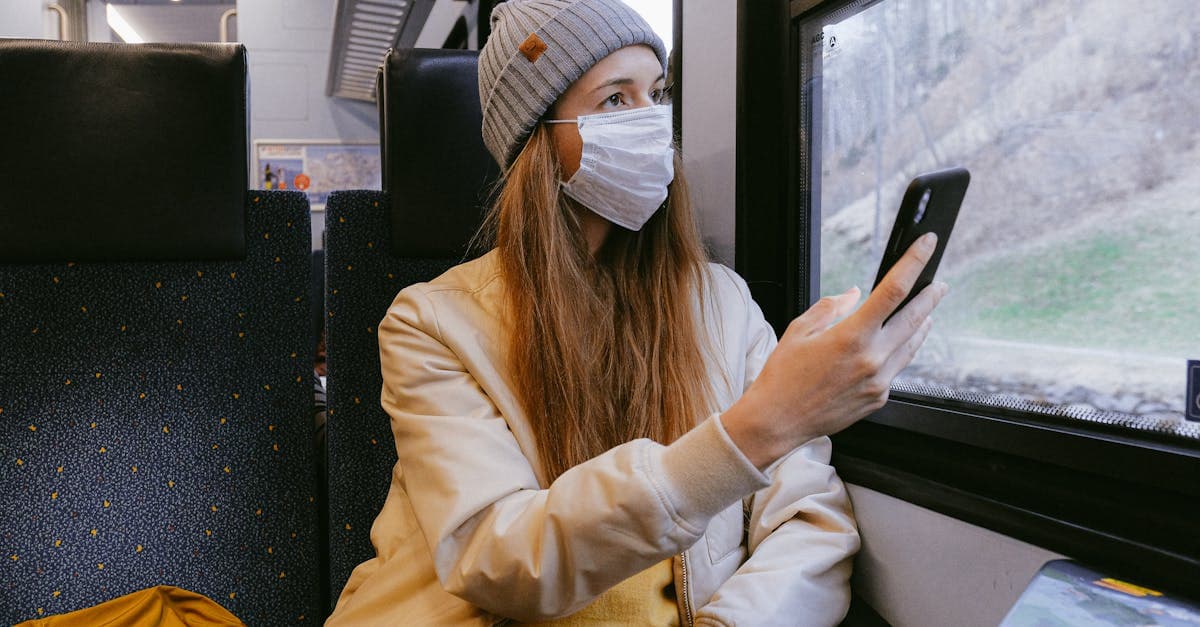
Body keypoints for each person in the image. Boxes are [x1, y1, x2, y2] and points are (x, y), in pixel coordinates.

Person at [325, 0, 946, 625]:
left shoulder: (721, 302)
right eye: (615, 101)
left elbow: (810, 520)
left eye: (658, 93)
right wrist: (754, 430)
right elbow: (500, 559)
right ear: (537, 144)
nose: (654, 124)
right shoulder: (432, 323)